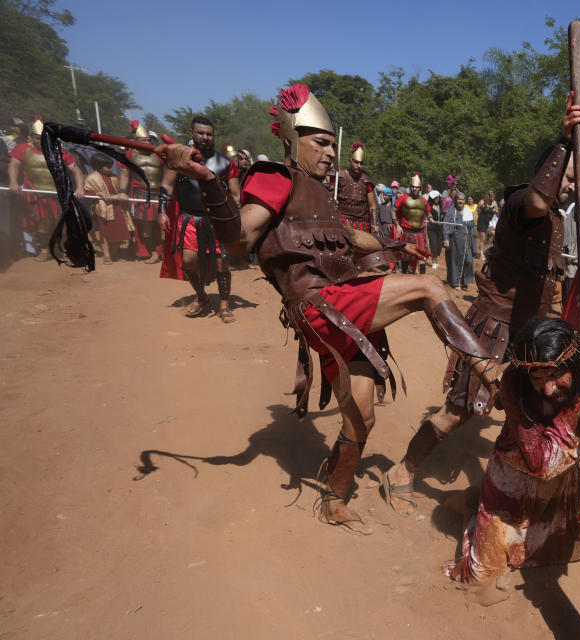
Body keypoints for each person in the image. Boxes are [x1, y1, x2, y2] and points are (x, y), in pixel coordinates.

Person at [156, 83, 500, 535]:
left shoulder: (320, 193)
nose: (328, 153)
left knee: (361, 414)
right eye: (320, 142)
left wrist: (399, 248)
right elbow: (239, 238)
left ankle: (334, 499)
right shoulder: (275, 178)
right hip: (321, 306)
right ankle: (492, 374)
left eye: (331, 145)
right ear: (289, 137)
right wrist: (205, 179)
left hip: (340, 310)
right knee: (430, 289)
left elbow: (354, 240)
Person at [381, 93, 580, 515]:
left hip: (529, 336)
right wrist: (563, 143)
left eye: (572, 180)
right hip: (492, 327)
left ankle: (495, 498)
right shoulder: (519, 204)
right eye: (565, 177)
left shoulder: (558, 221)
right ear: (546, 173)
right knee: (459, 411)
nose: (570, 185)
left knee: (535, 414)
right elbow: (537, 200)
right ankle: (401, 471)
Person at [444, 316, 580, 602]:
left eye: (555, 375)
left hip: (565, 480)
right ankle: (475, 505)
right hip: (512, 483)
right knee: (479, 573)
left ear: (574, 363)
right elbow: (541, 464)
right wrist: (577, 401)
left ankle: (481, 503)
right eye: (537, 378)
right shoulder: (513, 383)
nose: (547, 388)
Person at [158, 115, 241, 323]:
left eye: (209, 134)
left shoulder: (225, 163)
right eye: (201, 133)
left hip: (217, 220)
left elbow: (236, 195)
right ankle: (201, 295)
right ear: (191, 134)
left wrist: (233, 219)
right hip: (189, 218)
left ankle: (224, 304)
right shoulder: (177, 157)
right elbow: (167, 186)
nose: (205, 137)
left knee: (223, 263)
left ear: (214, 136)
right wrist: (161, 210)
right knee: (188, 261)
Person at [7, 115, 85, 260]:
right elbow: (13, 165)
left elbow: (76, 170)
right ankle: (44, 250)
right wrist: (13, 182)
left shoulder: (59, 152)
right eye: (37, 137)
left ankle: (64, 248)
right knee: (43, 222)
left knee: (63, 223)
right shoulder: (22, 149)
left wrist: (80, 187)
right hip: (37, 191)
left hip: (59, 191)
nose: (40, 140)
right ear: (31, 137)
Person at [121, 120, 164, 263]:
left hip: (158, 194)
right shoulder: (129, 155)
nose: (146, 142)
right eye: (142, 140)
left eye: (148, 140)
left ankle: (159, 251)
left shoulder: (158, 154)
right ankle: (152, 253)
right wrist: (122, 191)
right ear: (134, 140)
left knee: (159, 225)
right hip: (141, 194)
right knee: (146, 226)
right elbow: (125, 174)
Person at [84, 153, 134, 264]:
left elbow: (121, 191)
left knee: (118, 232)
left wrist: (116, 196)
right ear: (98, 167)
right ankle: (107, 255)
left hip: (117, 208)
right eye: (108, 166)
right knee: (105, 232)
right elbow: (88, 192)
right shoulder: (91, 178)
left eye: (111, 166)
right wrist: (98, 194)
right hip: (103, 209)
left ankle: (115, 254)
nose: (111, 168)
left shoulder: (114, 177)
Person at [393, 172, 432, 274]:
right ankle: (405, 276)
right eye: (413, 187)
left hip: (420, 233)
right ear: (410, 187)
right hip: (406, 232)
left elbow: (428, 212)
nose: (415, 189)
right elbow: (393, 210)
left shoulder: (424, 200)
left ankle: (423, 277)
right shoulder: (403, 198)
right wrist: (397, 225)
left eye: (417, 187)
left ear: (420, 188)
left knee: (422, 256)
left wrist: (431, 217)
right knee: (406, 257)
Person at [336, 142, 377, 232]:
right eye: (356, 162)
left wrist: (374, 224)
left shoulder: (367, 181)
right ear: (349, 161)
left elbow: (372, 206)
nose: (359, 166)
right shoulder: (339, 177)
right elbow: (330, 197)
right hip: (343, 221)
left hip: (362, 224)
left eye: (361, 163)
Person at [443, 192, 474, 290]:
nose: (460, 201)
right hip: (455, 240)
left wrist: (473, 241)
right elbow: (446, 226)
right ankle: (456, 283)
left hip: (466, 240)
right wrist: (446, 239)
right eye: (458, 199)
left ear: (464, 201)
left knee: (468, 261)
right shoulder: (451, 211)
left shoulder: (468, 212)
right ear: (455, 200)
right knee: (456, 261)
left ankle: (464, 280)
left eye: (462, 199)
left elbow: (472, 227)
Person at [476, 190, 499, 255]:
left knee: (488, 238)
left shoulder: (494, 203)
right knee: (482, 238)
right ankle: (481, 254)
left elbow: (497, 212)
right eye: (491, 197)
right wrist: (473, 219)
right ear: (487, 197)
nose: (492, 198)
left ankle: (484, 250)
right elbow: (477, 210)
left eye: (493, 197)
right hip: (481, 222)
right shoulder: (482, 202)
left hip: (489, 222)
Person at [425, 190, 444, 269]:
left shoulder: (440, 207)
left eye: (438, 197)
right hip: (431, 228)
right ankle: (434, 262)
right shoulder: (428, 206)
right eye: (435, 198)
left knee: (439, 245)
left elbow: (442, 216)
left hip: (439, 228)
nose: (437, 199)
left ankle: (436, 257)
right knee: (433, 245)